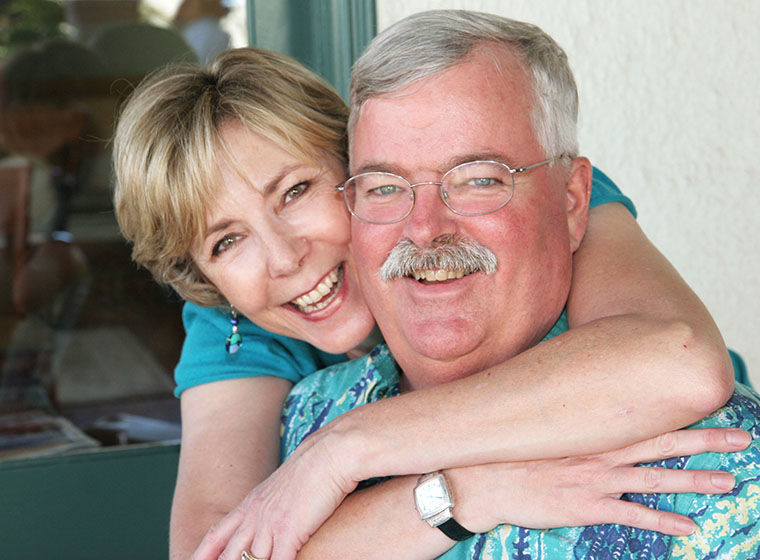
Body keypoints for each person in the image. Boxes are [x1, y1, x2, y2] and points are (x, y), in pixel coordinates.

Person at [112, 43, 739, 560]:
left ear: (357, 168)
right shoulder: (239, 324)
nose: (283, 258)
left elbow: (677, 364)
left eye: (296, 191)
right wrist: (467, 492)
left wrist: (344, 450)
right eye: (226, 241)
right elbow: (217, 553)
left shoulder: (519, 196)